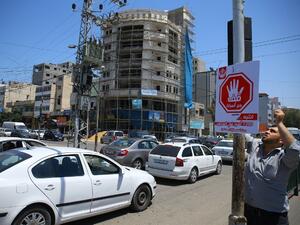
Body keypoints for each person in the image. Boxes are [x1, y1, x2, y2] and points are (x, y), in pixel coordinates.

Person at [244, 109, 300, 225]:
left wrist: (279, 123)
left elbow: (295, 149)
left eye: (272, 131)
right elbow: (241, 132)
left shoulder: (284, 158)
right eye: (268, 129)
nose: (267, 131)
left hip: (274, 217)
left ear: (281, 140)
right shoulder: (255, 146)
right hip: (249, 213)